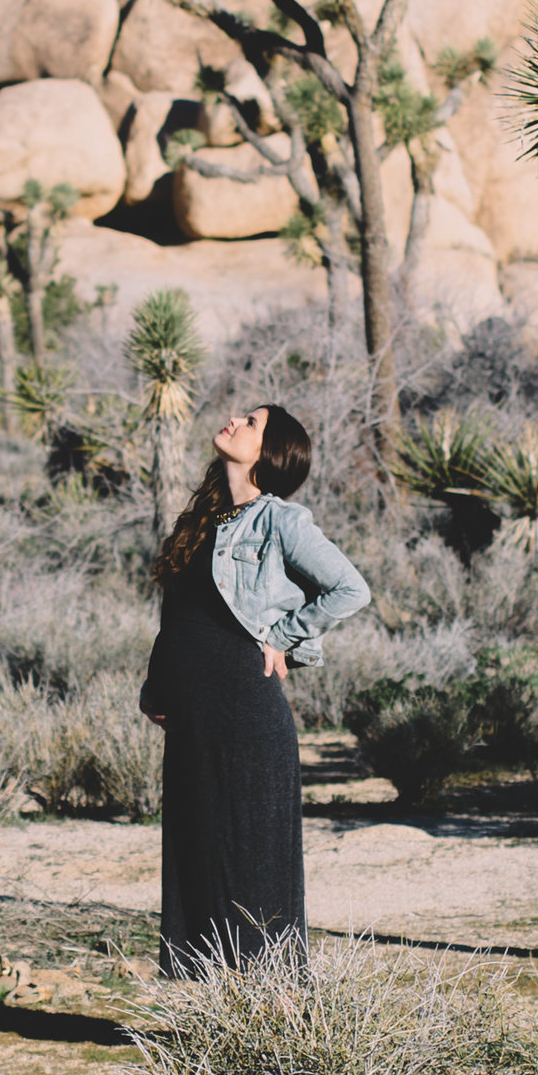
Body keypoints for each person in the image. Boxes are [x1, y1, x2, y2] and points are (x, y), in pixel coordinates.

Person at [139, 402, 369, 976]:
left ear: (271, 451)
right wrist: (156, 686)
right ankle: (217, 1020)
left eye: (251, 422)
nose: (235, 421)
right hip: (193, 718)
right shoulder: (202, 523)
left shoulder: (280, 521)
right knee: (199, 857)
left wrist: (286, 637)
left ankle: (278, 1023)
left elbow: (350, 588)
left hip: (246, 711)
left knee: (254, 868)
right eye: (241, 415)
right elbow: (181, 617)